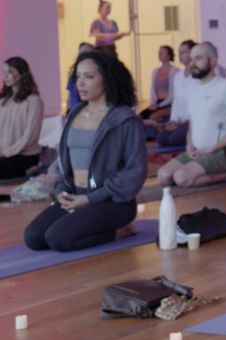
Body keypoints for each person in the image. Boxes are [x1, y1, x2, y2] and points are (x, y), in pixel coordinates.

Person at [24, 51, 146, 252]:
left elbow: (136, 171)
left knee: (58, 239)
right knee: (34, 238)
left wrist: (90, 199)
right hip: (75, 195)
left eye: (89, 77)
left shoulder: (124, 120)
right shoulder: (74, 114)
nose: (80, 83)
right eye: (78, 76)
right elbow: (65, 163)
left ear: (106, 80)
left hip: (112, 201)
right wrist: (62, 191)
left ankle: (119, 231)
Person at [155, 42, 226, 188]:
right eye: (191, 59)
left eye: (198, 58)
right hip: (198, 152)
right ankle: (198, 172)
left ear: (213, 60)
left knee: (181, 177)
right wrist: (189, 144)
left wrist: (213, 149)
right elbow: (192, 125)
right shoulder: (193, 89)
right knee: (163, 176)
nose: (192, 63)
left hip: (224, 152)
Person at [0, 57, 43, 180]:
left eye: (10, 72)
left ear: (22, 74)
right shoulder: (3, 100)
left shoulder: (34, 100)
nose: (6, 76)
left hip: (25, 155)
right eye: (4, 72)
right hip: (4, 154)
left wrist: (7, 152)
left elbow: (30, 135)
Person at [156, 40, 196, 148]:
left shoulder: (198, 76)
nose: (180, 55)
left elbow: (198, 106)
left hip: (192, 123)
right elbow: (176, 101)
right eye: (179, 52)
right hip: (179, 122)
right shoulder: (178, 76)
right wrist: (173, 120)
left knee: (174, 138)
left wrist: (183, 123)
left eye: (184, 52)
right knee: (161, 138)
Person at [140, 45, 177, 122]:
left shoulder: (174, 71)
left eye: (162, 52)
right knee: (141, 116)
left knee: (154, 116)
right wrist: (153, 103)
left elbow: (172, 94)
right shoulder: (155, 71)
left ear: (169, 55)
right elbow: (152, 90)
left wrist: (159, 105)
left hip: (168, 103)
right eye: (159, 52)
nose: (160, 54)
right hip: (157, 102)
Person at [66, 42, 93, 110]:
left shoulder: (95, 75)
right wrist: (68, 111)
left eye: (86, 53)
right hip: (74, 110)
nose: (83, 56)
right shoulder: (73, 74)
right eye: (81, 53)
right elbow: (70, 95)